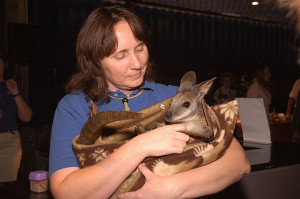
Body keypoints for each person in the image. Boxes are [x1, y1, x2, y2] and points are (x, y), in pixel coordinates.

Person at [49, 6, 250, 199]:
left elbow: (238, 162)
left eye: (140, 48)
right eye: (121, 55)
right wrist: (140, 146)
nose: (137, 64)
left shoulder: (174, 97)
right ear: (95, 62)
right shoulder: (75, 107)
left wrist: (172, 188)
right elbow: (66, 192)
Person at [0, 51, 33, 182]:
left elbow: (27, 117)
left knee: (7, 185)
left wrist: (15, 93)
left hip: (10, 142)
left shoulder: (11, 86)